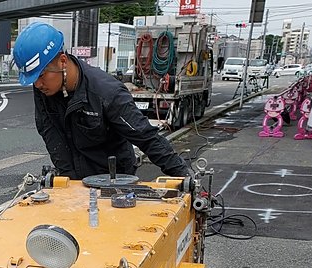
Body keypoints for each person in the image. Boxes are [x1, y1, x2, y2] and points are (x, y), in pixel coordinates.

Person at [12, 21, 188, 181]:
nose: (37, 84)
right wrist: (68, 181)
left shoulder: (106, 92)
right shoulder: (44, 89)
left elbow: (146, 137)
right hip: (75, 178)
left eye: (41, 75)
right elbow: (50, 133)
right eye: (32, 78)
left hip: (113, 179)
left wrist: (184, 177)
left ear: (63, 61)